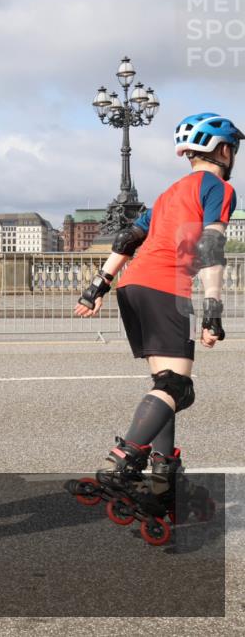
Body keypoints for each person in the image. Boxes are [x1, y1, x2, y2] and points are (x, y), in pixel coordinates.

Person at [69, 112, 239, 542]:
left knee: (166, 386)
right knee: (178, 388)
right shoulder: (218, 187)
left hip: (133, 285)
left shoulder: (168, 193)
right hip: (166, 287)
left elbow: (127, 239)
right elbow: (211, 247)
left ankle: (163, 484)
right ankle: (124, 461)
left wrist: (97, 287)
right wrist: (213, 311)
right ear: (224, 151)